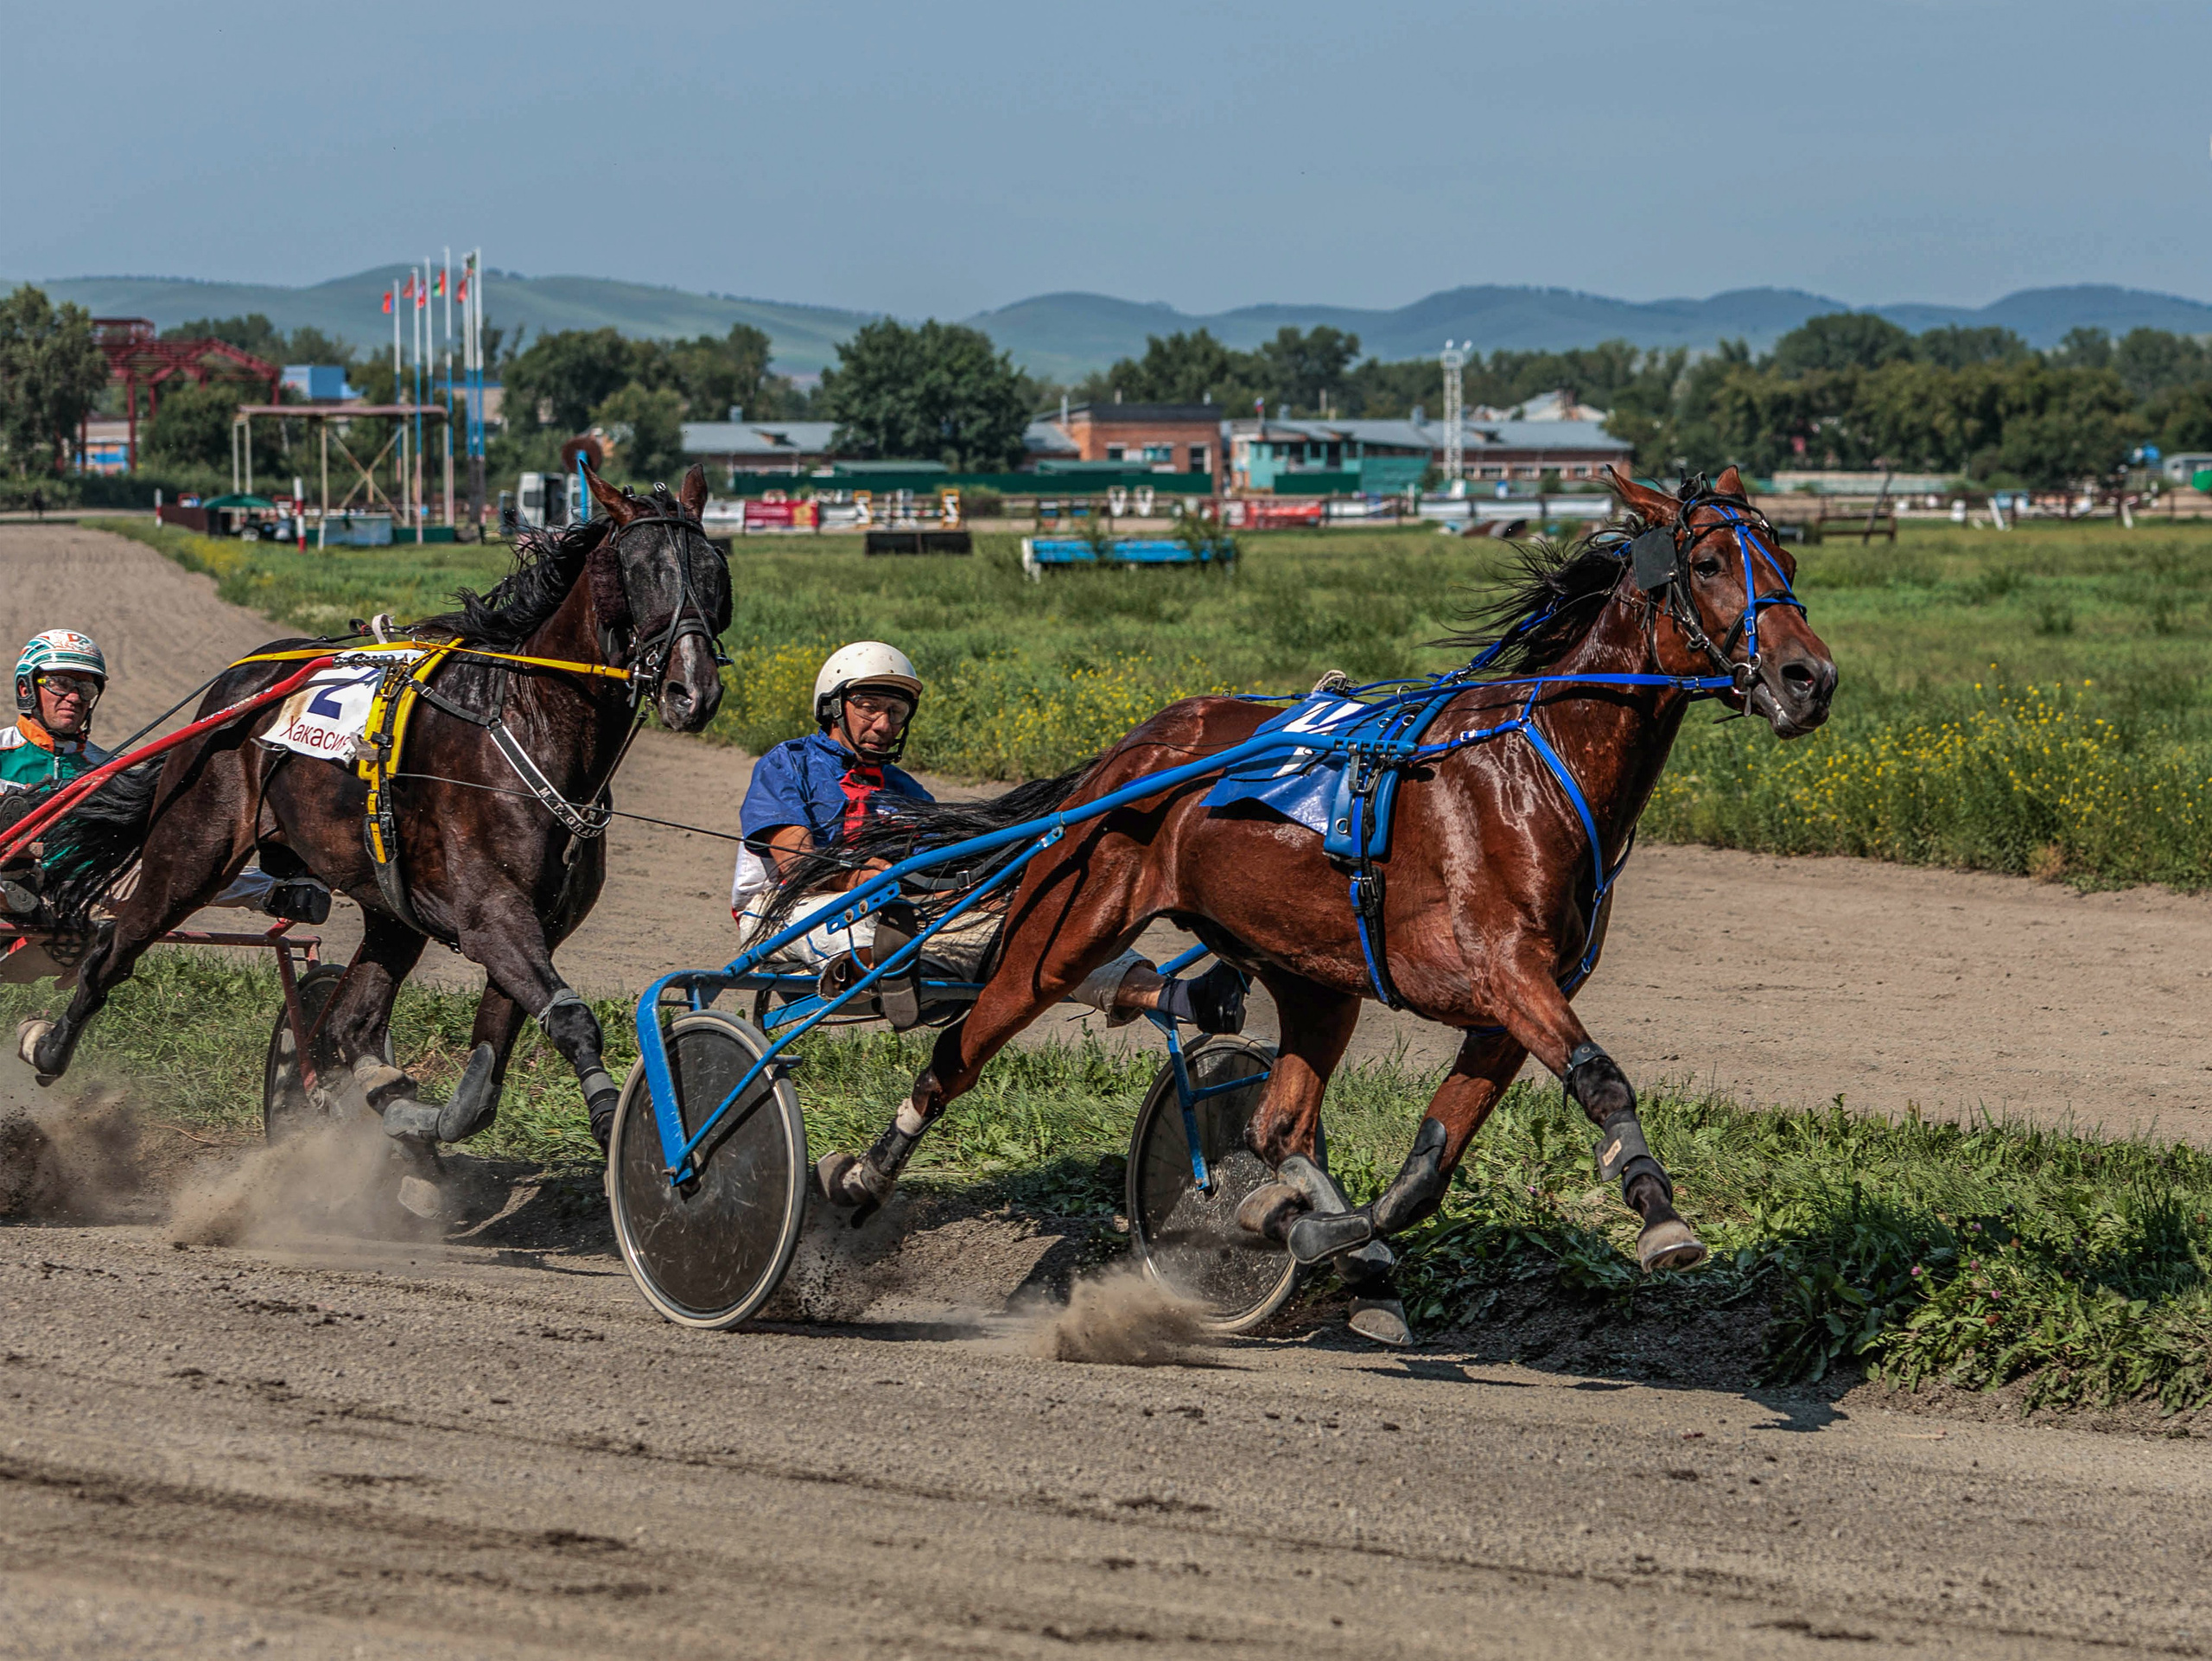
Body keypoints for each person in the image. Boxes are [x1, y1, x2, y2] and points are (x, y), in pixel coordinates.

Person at [732, 640, 1243, 1030]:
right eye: (868, 706)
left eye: (896, 712)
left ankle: (1182, 999)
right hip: (783, 911)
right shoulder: (789, 763)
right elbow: (794, 867)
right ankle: (896, 963)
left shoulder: (907, 790)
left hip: (900, 913)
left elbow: (939, 870)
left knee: (1043, 928)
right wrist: (863, 878)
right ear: (834, 705)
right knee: (871, 919)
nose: (884, 723)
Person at [0, 629, 329, 926]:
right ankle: (15, 882)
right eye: (60, 684)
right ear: (25, 687)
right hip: (13, 882)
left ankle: (275, 893)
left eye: (85, 687)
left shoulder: (107, 770)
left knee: (169, 861)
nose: (74, 697)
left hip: (82, 890)